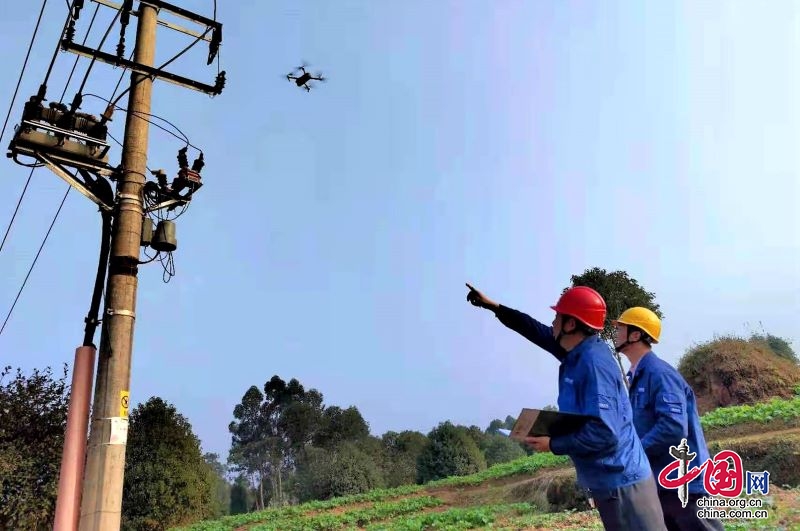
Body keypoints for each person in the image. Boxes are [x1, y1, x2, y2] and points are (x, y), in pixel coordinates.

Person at [466, 283, 667, 531]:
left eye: (557, 317)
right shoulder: (578, 351)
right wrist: (494, 307)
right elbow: (536, 331)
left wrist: (552, 444)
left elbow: (605, 432)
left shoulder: (593, 364)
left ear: (571, 324)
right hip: (611, 482)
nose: (552, 323)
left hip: (623, 483)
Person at [612, 307, 724, 531]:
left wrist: (634, 453)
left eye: (620, 328)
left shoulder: (659, 374)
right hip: (661, 484)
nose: (615, 333)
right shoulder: (637, 376)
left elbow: (673, 427)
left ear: (635, 335)